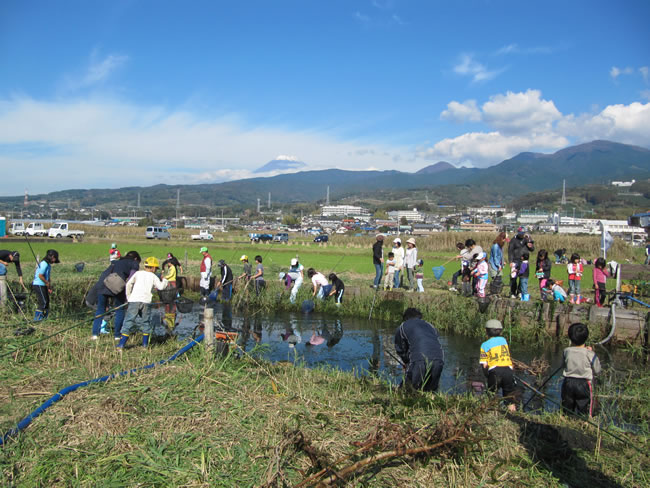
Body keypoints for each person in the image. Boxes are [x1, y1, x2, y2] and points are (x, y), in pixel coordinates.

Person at [116, 257, 168, 350]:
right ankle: (145, 346)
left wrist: (129, 297)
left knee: (128, 321)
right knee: (145, 322)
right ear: (152, 268)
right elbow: (161, 287)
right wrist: (165, 280)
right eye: (156, 268)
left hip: (134, 300)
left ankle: (121, 345)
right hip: (146, 302)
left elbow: (128, 284)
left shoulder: (137, 273)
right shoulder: (153, 276)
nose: (156, 270)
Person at [91, 250, 141, 340]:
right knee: (120, 309)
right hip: (117, 286)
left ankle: (95, 334)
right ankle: (117, 335)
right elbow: (132, 279)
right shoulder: (134, 263)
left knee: (100, 309)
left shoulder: (117, 261)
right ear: (136, 258)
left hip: (103, 283)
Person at [394, 308, 444, 391]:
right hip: (439, 359)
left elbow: (400, 349)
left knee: (407, 390)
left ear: (405, 318)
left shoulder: (402, 327)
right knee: (430, 391)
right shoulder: (430, 325)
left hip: (418, 360)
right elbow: (435, 342)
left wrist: (406, 363)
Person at [561, 323, 601, 417]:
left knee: (567, 406)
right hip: (584, 383)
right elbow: (598, 369)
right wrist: (591, 352)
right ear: (586, 337)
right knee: (585, 407)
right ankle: (585, 423)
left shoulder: (566, 351)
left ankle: (565, 420)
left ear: (570, 337)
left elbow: (562, 365)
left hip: (568, 382)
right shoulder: (589, 353)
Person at [479, 319, 518, 411]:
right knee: (509, 397)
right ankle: (513, 414)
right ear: (500, 331)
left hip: (495, 371)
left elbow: (484, 365)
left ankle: (492, 413)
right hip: (508, 371)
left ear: (486, 331)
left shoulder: (484, 345)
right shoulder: (504, 340)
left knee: (491, 395)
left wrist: (486, 375)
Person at [32, 249, 60, 321]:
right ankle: (37, 319)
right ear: (52, 257)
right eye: (55, 258)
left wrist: (49, 287)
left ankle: (45, 318)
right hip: (39, 284)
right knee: (43, 302)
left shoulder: (48, 265)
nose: (54, 261)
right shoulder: (44, 263)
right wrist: (46, 282)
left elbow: (47, 276)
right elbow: (40, 275)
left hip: (43, 285)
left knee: (47, 302)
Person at [508, 227, 533, 298]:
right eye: (521, 234)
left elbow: (532, 249)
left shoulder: (527, 239)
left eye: (523, 234)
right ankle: (512, 292)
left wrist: (529, 245)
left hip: (524, 261)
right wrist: (510, 261)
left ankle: (519, 291)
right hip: (515, 260)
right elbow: (510, 251)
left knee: (522, 277)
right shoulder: (514, 240)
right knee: (513, 277)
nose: (522, 235)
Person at [162, 253, 182, 330]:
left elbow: (170, 275)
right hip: (169, 281)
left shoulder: (173, 268)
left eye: (169, 263)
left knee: (173, 291)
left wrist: (165, 277)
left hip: (172, 281)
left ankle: (176, 297)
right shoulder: (170, 267)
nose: (168, 264)